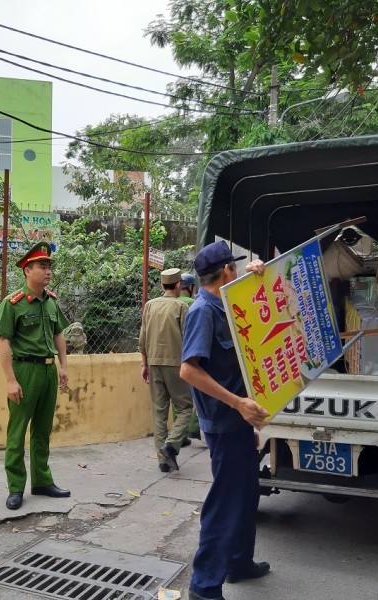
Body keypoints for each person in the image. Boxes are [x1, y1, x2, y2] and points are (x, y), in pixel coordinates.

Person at [180, 240, 271, 600]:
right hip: (225, 419)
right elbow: (188, 370)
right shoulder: (204, 311)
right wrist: (238, 405)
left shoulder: (227, 302)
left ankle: (238, 562)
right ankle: (204, 585)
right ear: (226, 272)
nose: (239, 269)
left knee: (246, 495)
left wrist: (260, 275)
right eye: (237, 266)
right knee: (225, 502)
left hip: (239, 421)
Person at [0, 241, 71, 511]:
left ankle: (42, 481)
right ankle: (16, 487)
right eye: (42, 266)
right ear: (27, 270)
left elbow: (59, 333)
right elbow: (3, 341)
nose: (48, 271)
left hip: (48, 371)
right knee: (17, 431)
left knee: (42, 430)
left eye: (49, 266)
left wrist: (63, 365)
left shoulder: (51, 302)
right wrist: (10, 380)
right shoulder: (12, 303)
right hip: (25, 370)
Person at [139, 268, 194, 473]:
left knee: (159, 411)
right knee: (186, 407)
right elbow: (188, 339)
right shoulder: (181, 307)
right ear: (179, 285)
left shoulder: (150, 306)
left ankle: (163, 460)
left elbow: (142, 339)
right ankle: (171, 444)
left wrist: (143, 364)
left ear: (162, 286)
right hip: (176, 364)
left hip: (153, 363)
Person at [177, 272, 202, 442]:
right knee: (199, 393)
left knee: (176, 398)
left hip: (172, 357)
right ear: (191, 287)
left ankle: (180, 433)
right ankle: (194, 428)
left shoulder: (169, 303)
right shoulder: (195, 304)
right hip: (192, 354)